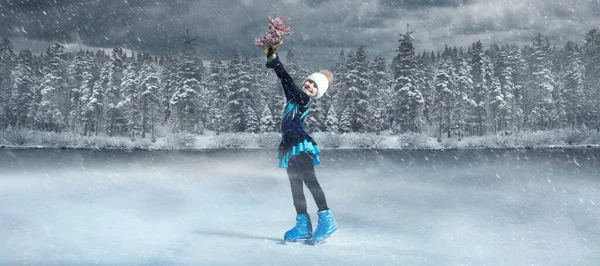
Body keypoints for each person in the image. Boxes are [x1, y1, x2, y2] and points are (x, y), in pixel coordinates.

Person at [265, 46, 338, 245]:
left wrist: (278, 64)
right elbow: (285, 83)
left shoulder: (304, 100)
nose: (309, 85)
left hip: (300, 145)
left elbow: (289, 82)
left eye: (314, 86)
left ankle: (326, 219)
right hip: (288, 147)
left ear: (316, 93)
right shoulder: (293, 99)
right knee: (295, 186)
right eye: (309, 81)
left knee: (309, 180)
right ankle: (303, 224)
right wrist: (273, 62)